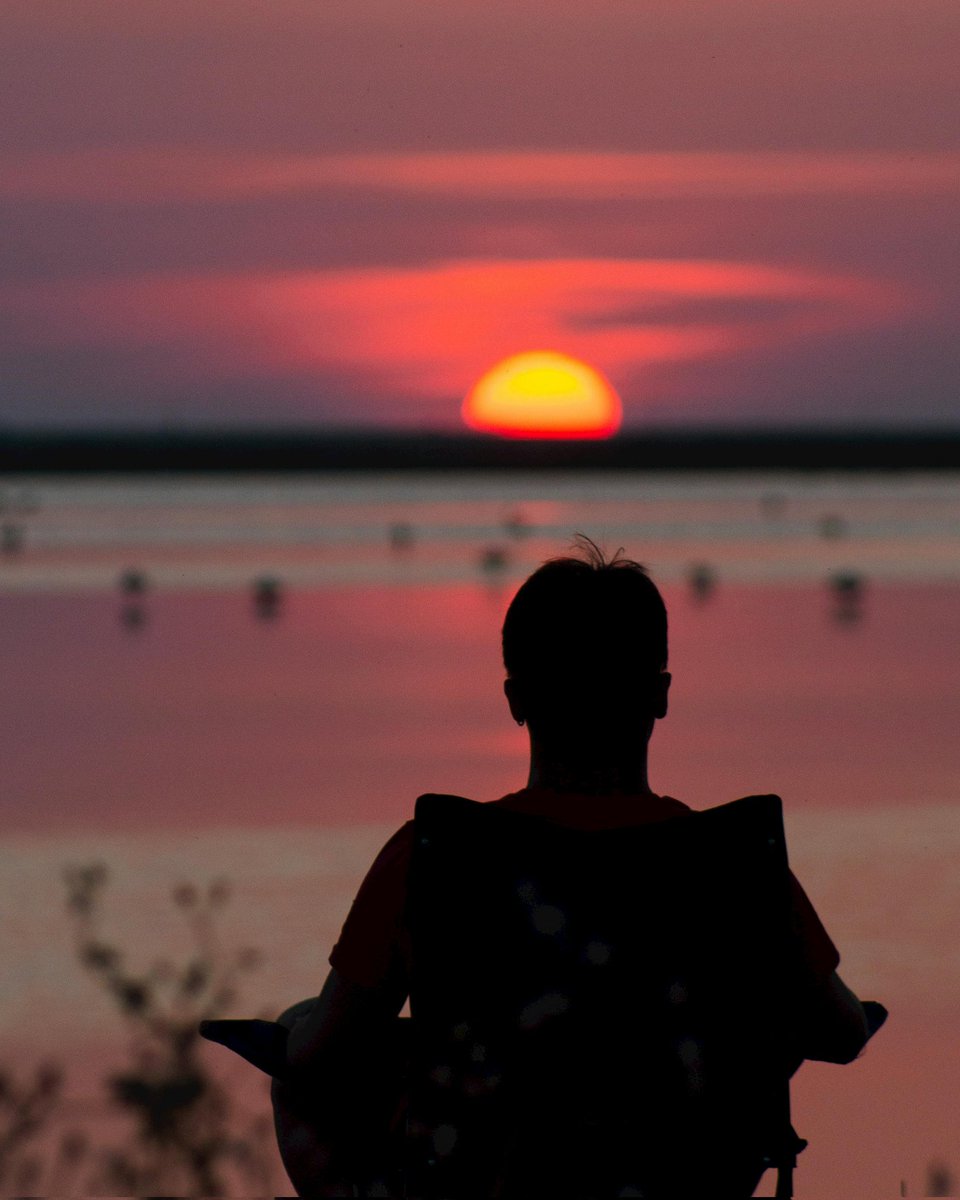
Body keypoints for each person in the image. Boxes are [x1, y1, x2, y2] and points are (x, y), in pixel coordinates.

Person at [271, 538, 884, 1195]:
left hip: (479, 1185)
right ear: (660, 695)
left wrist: (299, 1036)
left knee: (299, 1035)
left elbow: (320, 1056)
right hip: (679, 1187)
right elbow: (841, 1033)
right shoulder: (734, 862)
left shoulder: (435, 856)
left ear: (516, 699)